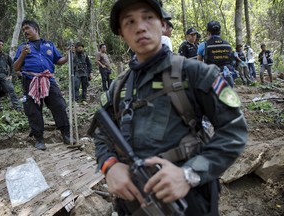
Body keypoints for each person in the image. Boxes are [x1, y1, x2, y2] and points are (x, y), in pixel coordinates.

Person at [93, 1, 248, 215]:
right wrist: (109, 166)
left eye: (148, 17)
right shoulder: (118, 86)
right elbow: (102, 135)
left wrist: (189, 174)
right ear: (121, 33)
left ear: (163, 25)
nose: (140, 27)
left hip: (187, 200)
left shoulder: (196, 73)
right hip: (133, 202)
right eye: (130, 22)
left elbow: (234, 130)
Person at [13, 20, 74, 150]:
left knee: (59, 105)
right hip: (30, 81)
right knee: (33, 110)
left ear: (35, 29)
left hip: (48, 80)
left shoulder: (49, 45)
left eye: (27, 28)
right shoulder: (22, 47)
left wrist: (68, 56)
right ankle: (39, 139)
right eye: (23, 29)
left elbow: (59, 60)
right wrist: (23, 55)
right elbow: (16, 67)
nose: (25, 31)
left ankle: (66, 134)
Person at [197, 20, 234, 87]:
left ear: (208, 32)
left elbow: (199, 64)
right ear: (220, 31)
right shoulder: (228, 45)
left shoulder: (203, 45)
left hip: (212, 79)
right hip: (227, 77)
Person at [0, 38, 22, 112]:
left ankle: (18, 107)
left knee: (11, 89)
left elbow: (12, 66)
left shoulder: (6, 56)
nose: (1, 46)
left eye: (2, 45)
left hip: (3, 76)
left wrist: (11, 75)